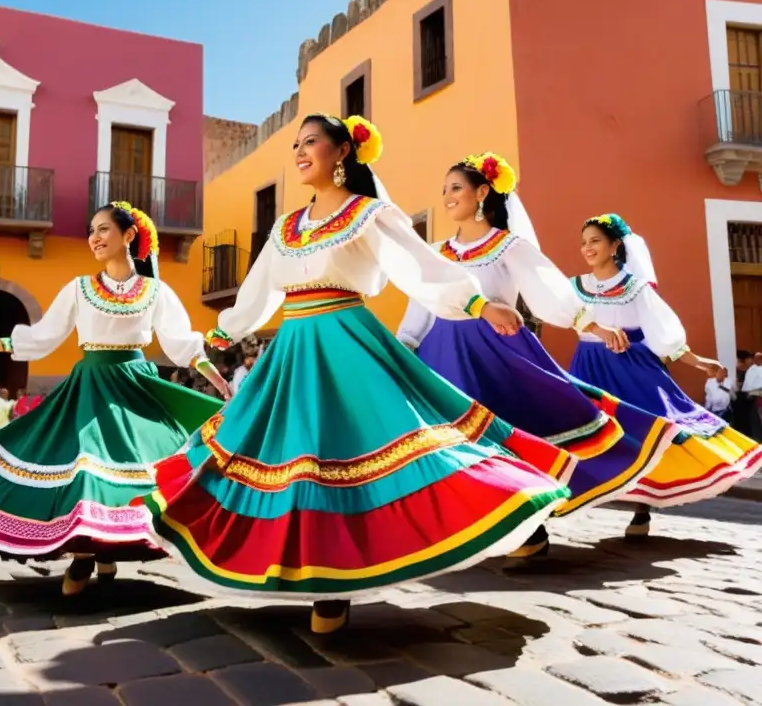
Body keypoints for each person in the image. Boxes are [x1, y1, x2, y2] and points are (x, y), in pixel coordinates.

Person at [144, 114, 571, 635]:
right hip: (294, 350)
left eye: (311, 143)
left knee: (362, 453)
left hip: (348, 343)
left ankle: (340, 587)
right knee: (290, 458)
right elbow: (260, 290)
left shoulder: (369, 215)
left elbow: (420, 268)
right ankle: (321, 578)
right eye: (296, 144)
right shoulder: (285, 228)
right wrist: (223, 332)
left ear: (342, 151)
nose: (300, 152)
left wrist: (479, 304)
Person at [0, 201, 230, 596]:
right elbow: (46, 334)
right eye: (91, 231)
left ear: (129, 236)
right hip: (89, 387)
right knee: (85, 467)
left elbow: (181, 343)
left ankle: (105, 550)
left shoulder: (155, 292)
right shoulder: (79, 289)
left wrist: (216, 377)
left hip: (134, 390)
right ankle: (85, 554)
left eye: (103, 230)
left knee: (139, 472)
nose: (94, 238)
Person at [396, 153, 675, 558]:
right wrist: (403, 346)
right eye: (444, 190)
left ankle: (528, 528)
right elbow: (422, 305)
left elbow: (549, 292)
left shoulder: (508, 247)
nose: (447, 197)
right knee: (445, 440)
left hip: (494, 352)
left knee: (501, 437)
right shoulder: (438, 252)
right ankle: (466, 527)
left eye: (456, 187)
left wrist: (592, 326)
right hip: (442, 353)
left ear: (482, 192)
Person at [569, 213, 762, 535]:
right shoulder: (574, 286)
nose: (588, 248)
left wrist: (698, 362)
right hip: (587, 367)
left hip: (632, 369)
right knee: (576, 428)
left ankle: (642, 507)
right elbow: (560, 312)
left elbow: (662, 333)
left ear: (615, 245)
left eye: (595, 241)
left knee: (647, 432)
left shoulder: (636, 288)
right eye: (584, 242)